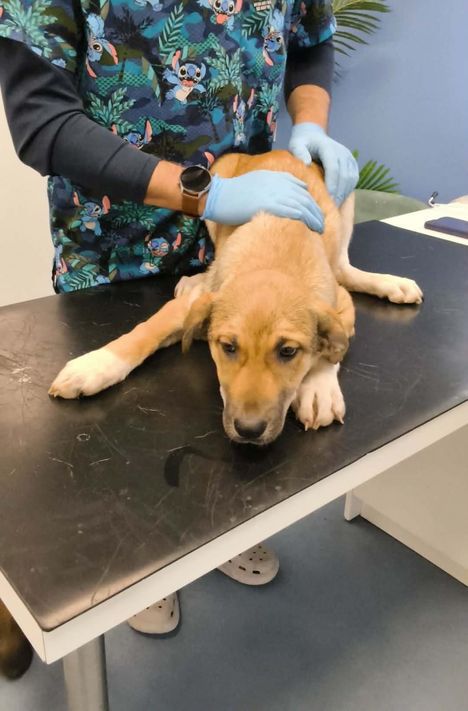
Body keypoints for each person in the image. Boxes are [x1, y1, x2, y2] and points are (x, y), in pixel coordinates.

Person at [0, 0, 358, 637]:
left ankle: (221, 534)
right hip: (119, 245)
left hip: (247, 237)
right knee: (127, 434)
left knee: (230, 418)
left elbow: (312, 38)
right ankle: (139, 560)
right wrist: (205, 192)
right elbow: (42, 121)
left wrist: (311, 124)